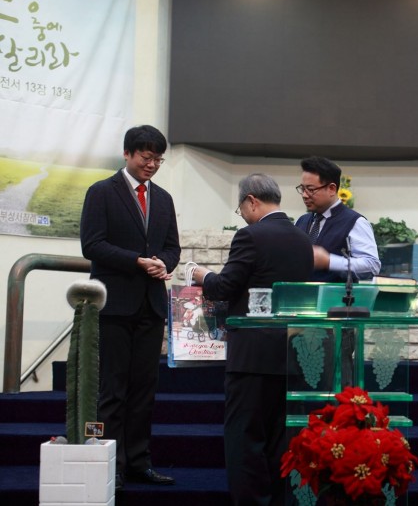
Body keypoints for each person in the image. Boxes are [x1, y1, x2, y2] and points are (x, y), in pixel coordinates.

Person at [191, 173, 314, 506]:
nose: (243, 215)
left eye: (241, 208)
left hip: (251, 356)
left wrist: (202, 275)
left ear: (251, 201)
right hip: (292, 353)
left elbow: (224, 287)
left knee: (245, 440)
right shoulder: (303, 239)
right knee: (281, 442)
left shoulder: (250, 235)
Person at [79, 124, 180, 490]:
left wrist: (163, 263)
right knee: (113, 389)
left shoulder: (164, 198)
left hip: (150, 307)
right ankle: (112, 464)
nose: (151, 165)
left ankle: (139, 462)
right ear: (127, 154)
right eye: (145, 157)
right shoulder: (101, 192)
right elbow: (92, 245)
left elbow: (172, 247)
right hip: (115, 306)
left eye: (158, 159)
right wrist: (137, 261)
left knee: (144, 390)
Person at [295, 156, 380, 283]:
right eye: (302, 189)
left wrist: (329, 261)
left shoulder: (355, 222)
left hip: (336, 295)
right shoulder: (302, 221)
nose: (304, 195)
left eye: (311, 190)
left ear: (331, 189)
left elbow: (372, 266)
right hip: (299, 293)